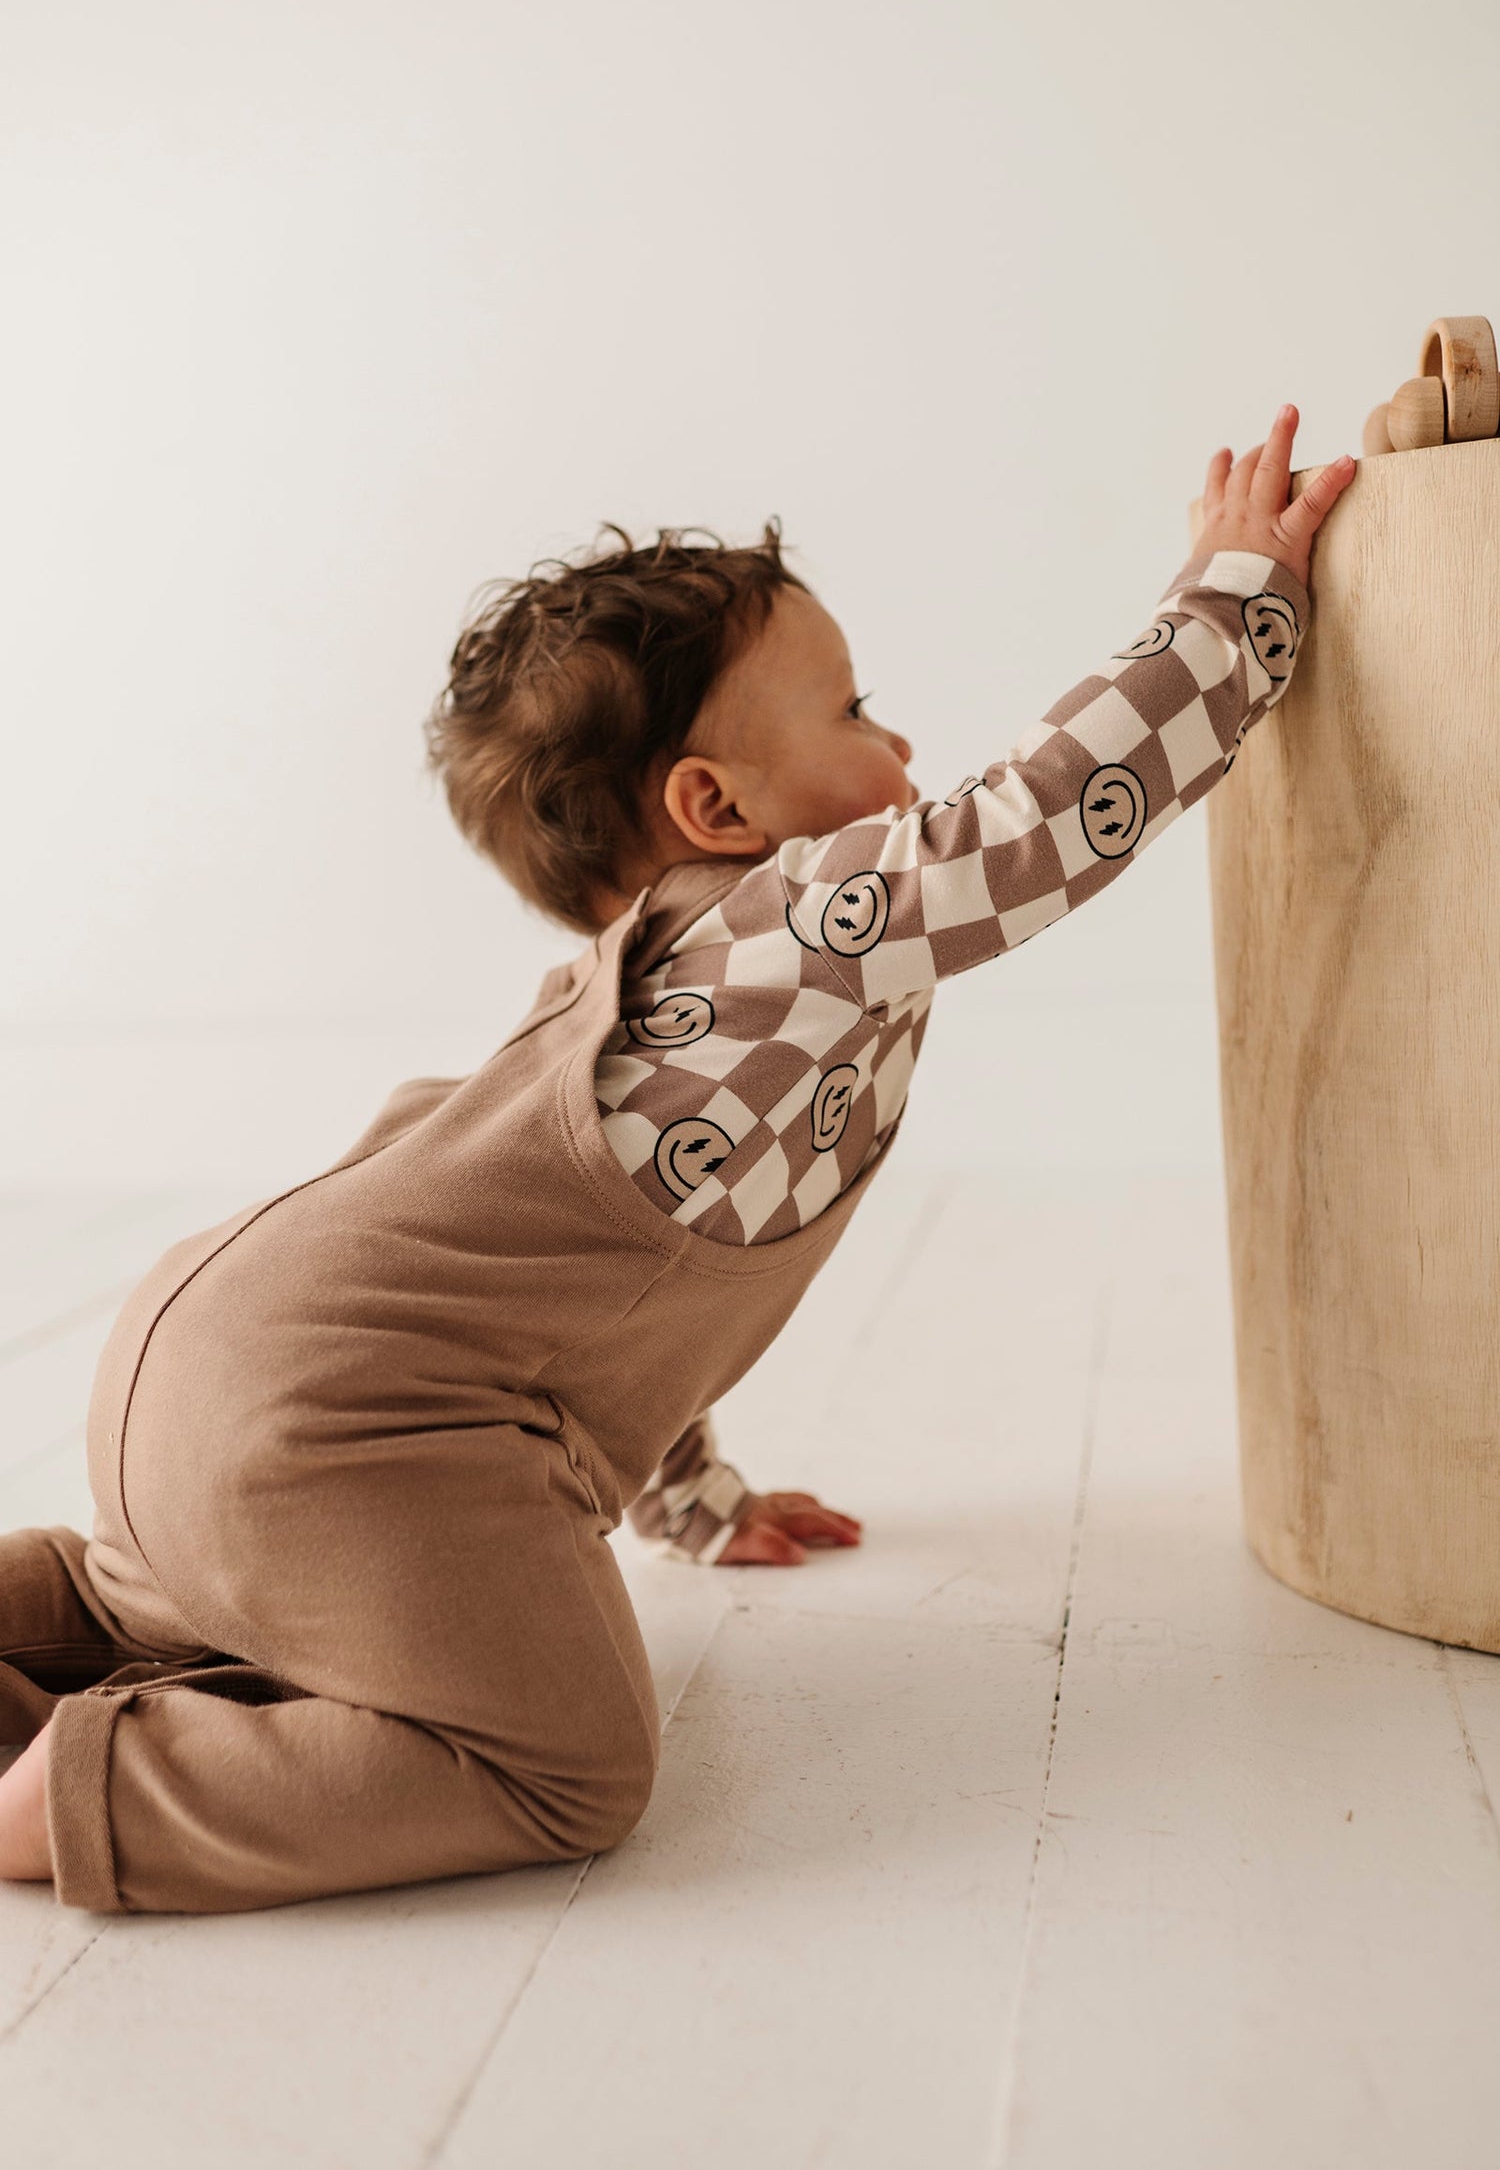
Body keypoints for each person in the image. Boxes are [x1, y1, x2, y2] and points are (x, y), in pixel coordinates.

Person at [0, 409, 1355, 1910]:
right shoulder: (786, 924)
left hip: (203, 1369)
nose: (902, 749)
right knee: (564, 1763)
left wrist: (693, 1500)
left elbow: (589, 1306)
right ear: (716, 809)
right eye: (855, 711)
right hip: (336, 1425)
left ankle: (45, 1625)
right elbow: (1032, 826)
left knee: (177, 1597)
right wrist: (1231, 600)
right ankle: (82, 1804)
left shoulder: (614, 1018)